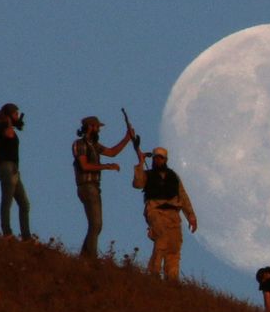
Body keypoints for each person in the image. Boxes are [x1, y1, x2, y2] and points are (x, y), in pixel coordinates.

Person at [72, 115, 134, 258]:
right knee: (96, 224)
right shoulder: (80, 144)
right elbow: (84, 165)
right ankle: (90, 257)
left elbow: (112, 152)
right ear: (90, 127)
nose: (99, 130)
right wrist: (106, 166)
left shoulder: (94, 145)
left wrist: (127, 139)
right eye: (97, 127)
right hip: (87, 186)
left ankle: (84, 256)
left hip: (94, 187)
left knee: (96, 225)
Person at [132, 146, 197, 282]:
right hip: (155, 210)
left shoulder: (173, 176)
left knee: (174, 247)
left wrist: (190, 216)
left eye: (160, 158)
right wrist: (140, 163)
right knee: (161, 238)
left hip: (173, 213)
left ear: (165, 160)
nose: (157, 161)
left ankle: (172, 280)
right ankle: (154, 273)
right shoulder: (147, 174)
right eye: (155, 158)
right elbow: (138, 184)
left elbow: (183, 196)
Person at [0, 103, 32, 241]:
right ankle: (7, 233)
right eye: (15, 114)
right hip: (7, 167)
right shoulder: (3, 127)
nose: (17, 117)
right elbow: (8, 135)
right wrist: (8, 122)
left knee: (24, 204)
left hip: (14, 169)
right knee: (7, 201)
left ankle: (26, 236)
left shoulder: (7, 127)